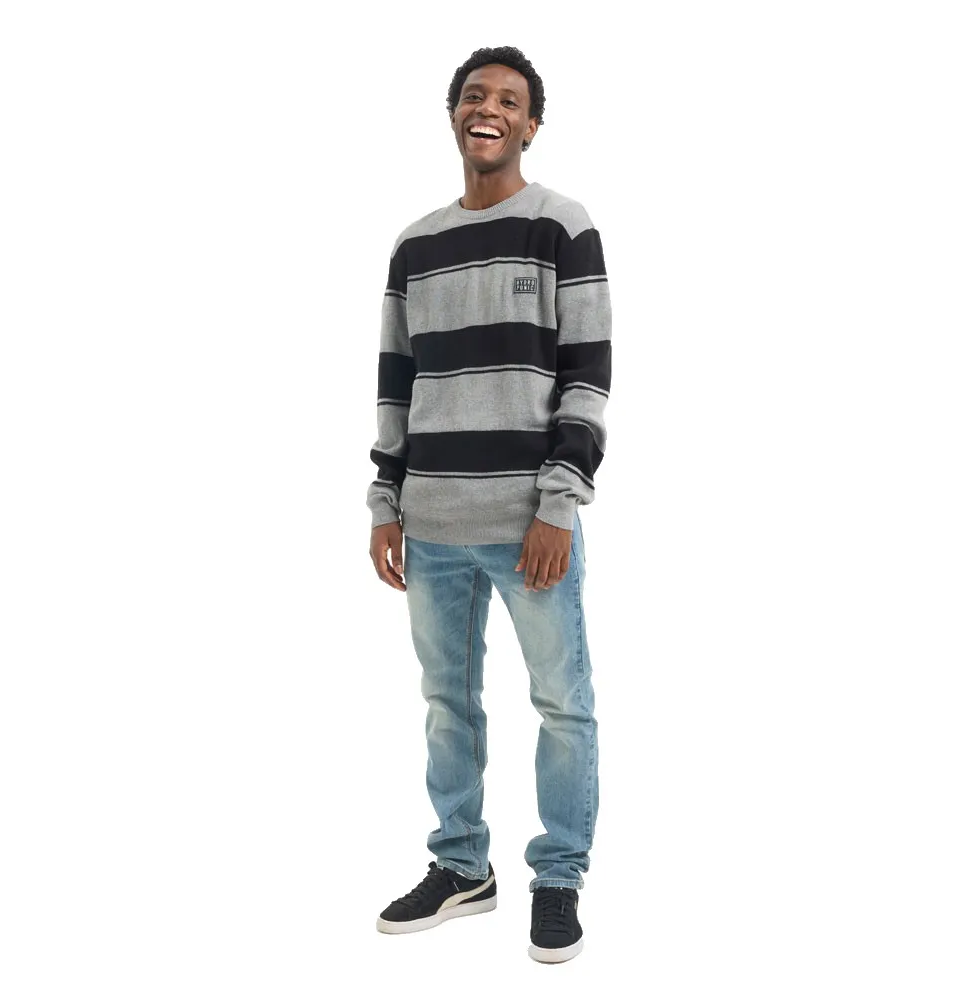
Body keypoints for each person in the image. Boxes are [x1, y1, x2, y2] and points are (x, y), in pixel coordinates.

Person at [365, 45, 611, 964]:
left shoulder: (563, 227)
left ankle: (559, 876)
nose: (489, 109)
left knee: (561, 703)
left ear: (531, 125)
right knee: (446, 703)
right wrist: (384, 502)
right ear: (454, 115)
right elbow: (396, 382)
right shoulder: (415, 246)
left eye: (509, 100)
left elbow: (587, 377)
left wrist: (559, 503)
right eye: (475, 96)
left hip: (527, 526)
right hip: (430, 526)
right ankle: (462, 865)